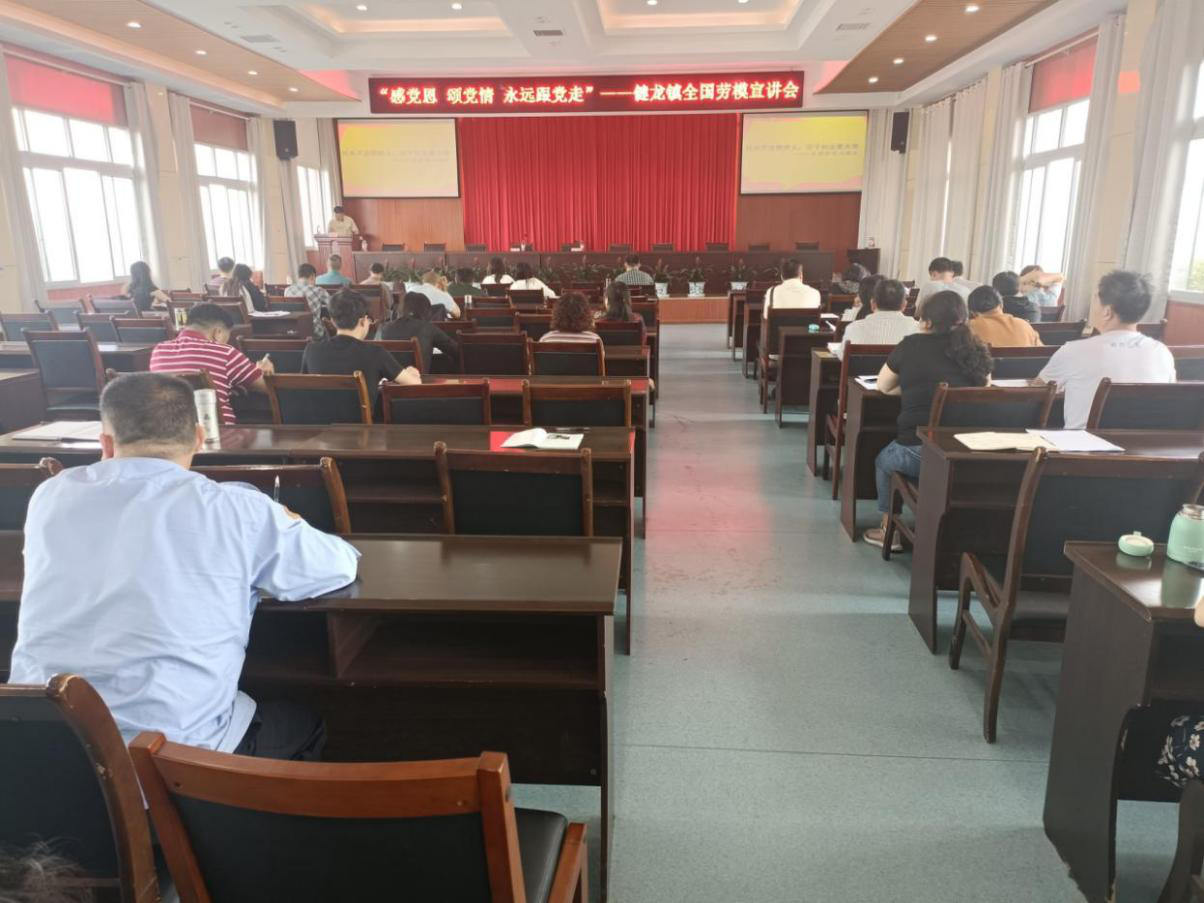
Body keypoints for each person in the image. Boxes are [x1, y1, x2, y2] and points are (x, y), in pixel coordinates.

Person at [9, 372, 359, 758]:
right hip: (169, 758)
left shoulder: (50, 496)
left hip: (39, 747)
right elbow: (336, 566)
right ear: (198, 437)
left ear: (105, 443)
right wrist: (286, 521)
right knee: (305, 722)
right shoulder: (236, 509)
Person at [863, 291, 992, 550]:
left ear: (928, 321)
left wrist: (914, 388)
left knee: (884, 460)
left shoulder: (911, 345)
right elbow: (984, 387)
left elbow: (883, 386)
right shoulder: (976, 348)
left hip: (921, 450)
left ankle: (888, 531)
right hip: (969, 450)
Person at [1038, 270, 1176, 429]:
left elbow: (1037, 392)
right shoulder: (1162, 352)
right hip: (1142, 443)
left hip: (1083, 443)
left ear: (1107, 312)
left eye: (1096, 298)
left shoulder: (1073, 351)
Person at [150, 303, 273, 424]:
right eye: (226, 338)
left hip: (168, 432)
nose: (226, 343)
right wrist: (265, 371)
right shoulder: (225, 352)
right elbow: (267, 387)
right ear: (217, 333)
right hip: (219, 432)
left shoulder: (159, 350)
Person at [302, 290, 421, 406]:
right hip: (361, 420)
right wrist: (412, 372)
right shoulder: (376, 353)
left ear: (333, 321)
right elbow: (415, 384)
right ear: (363, 321)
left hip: (317, 419)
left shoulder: (311, 350)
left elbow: (302, 387)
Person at [836, 278, 918, 359]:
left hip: (864, 368)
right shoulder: (917, 330)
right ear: (904, 305)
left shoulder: (853, 328)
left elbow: (842, 356)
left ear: (873, 304)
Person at [379, 291, 460, 373]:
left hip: (387, 379)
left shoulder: (385, 328)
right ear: (426, 311)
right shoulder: (428, 328)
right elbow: (456, 350)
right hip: (416, 379)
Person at [967, 285, 1042, 347]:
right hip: (1023, 361)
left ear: (972, 312)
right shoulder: (1024, 325)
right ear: (1001, 305)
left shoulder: (969, 328)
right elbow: (1041, 352)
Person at [284, 263, 331, 340]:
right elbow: (334, 306)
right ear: (312, 276)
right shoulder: (319, 291)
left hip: (294, 333)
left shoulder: (287, 290)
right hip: (314, 334)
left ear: (299, 276)